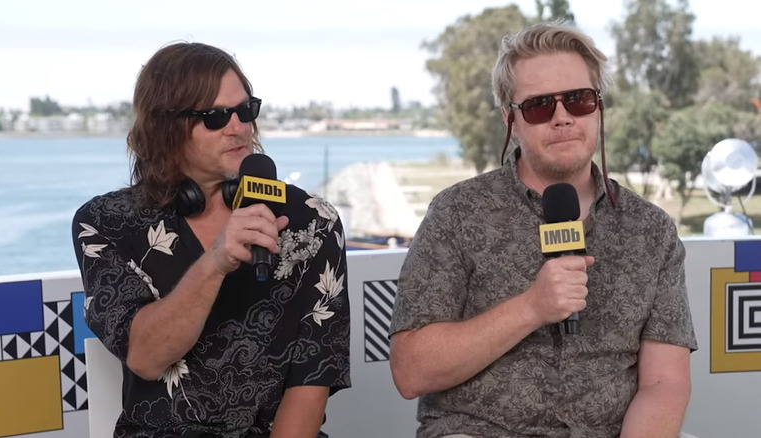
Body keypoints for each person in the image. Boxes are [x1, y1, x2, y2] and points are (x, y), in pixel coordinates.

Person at [388, 21, 697, 438]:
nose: (562, 118)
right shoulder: (457, 213)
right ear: (511, 121)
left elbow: (664, 385)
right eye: (538, 106)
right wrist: (532, 307)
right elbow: (411, 371)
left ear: (599, 107)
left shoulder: (652, 231)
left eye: (578, 100)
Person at [72, 42, 350, 438]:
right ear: (165, 127)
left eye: (245, 110)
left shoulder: (312, 220)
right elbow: (147, 357)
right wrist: (216, 260)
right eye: (216, 117)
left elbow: (309, 384)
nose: (238, 127)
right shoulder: (105, 224)